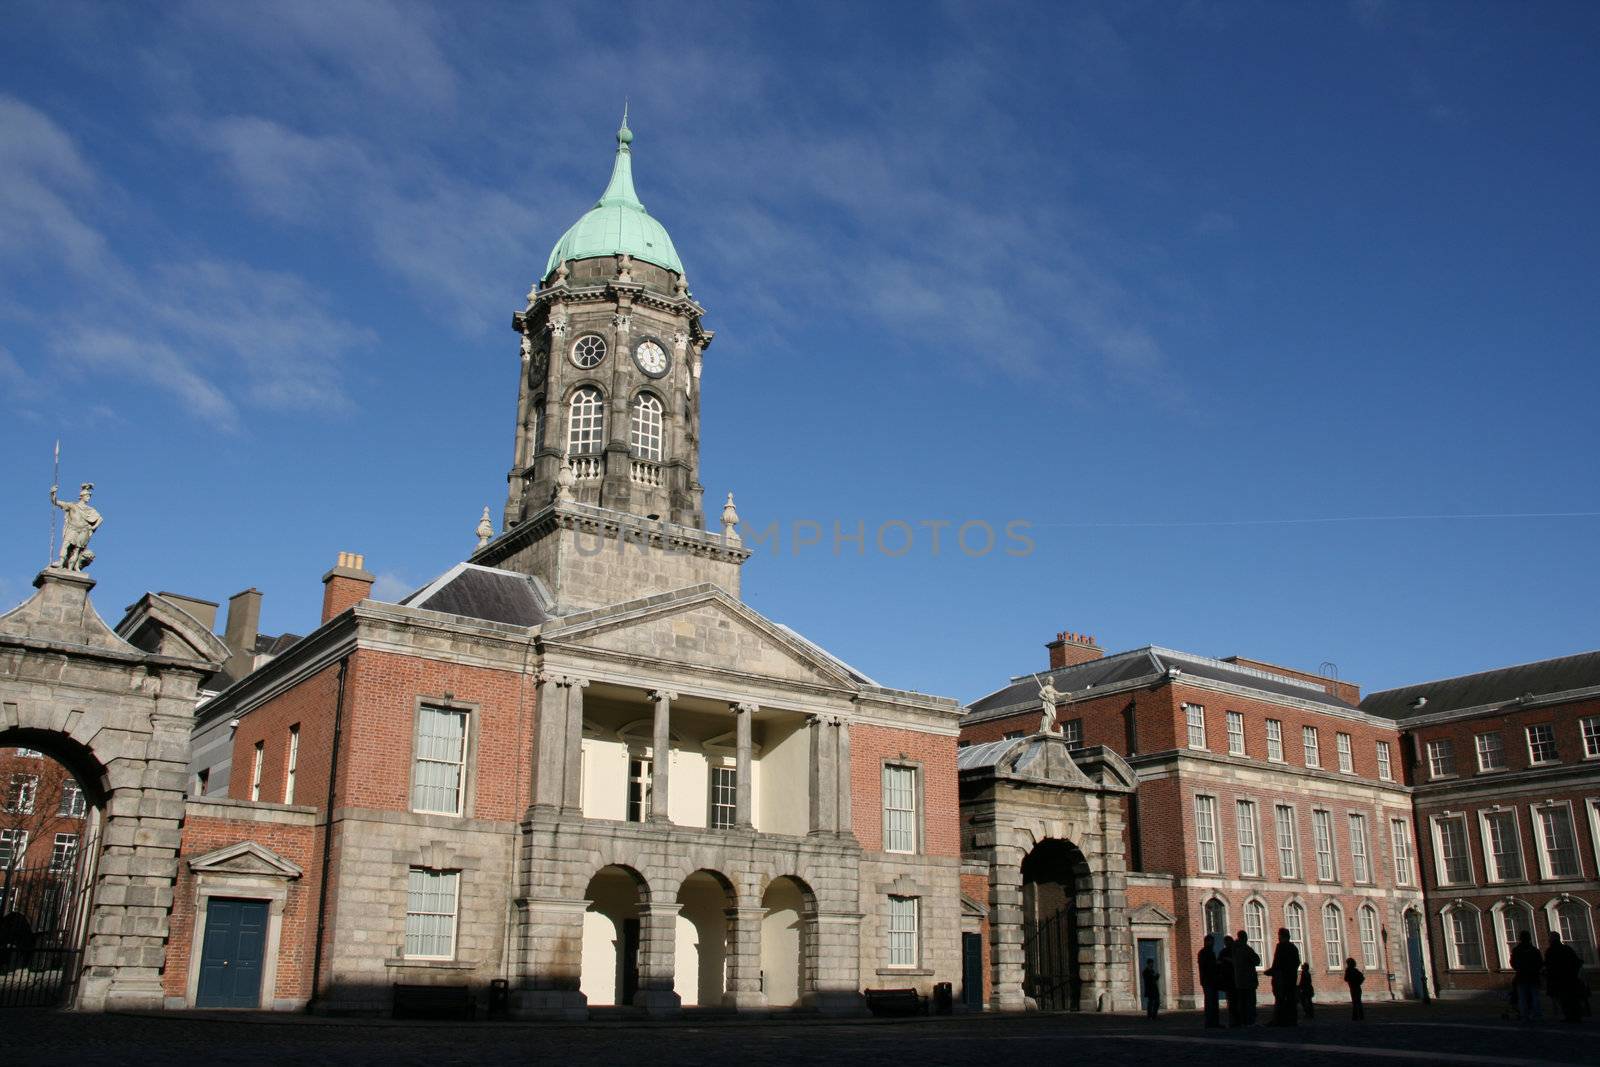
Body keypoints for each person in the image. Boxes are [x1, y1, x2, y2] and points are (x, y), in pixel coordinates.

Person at [51, 482, 102, 571]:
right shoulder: (72, 505)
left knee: (77, 550)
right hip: (72, 529)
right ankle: (61, 562)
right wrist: (53, 493)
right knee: (65, 545)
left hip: (83, 530)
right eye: (87, 496)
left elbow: (100, 519)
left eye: (89, 496)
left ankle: (72, 567)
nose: (88, 498)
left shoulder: (90, 510)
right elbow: (56, 502)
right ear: (82, 496)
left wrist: (93, 527)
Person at [1545, 931, 1584, 1022]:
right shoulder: (1567, 948)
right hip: (1570, 978)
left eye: (1549, 938)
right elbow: (1576, 962)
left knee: (1563, 999)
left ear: (1552, 939)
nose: (1548, 940)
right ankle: (1576, 1016)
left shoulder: (1550, 951)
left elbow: (1549, 966)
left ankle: (1569, 1016)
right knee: (1571, 998)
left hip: (1558, 979)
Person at [1265, 928, 1300, 1026]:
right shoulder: (1293, 948)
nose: (1278, 937)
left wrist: (1271, 971)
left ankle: (1279, 1020)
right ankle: (1291, 1020)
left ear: (1282, 936)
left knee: (1280, 999)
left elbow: (1277, 963)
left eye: (1279, 935)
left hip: (1282, 978)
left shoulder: (1280, 947)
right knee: (1290, 999)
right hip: (1291, 978)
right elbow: (1297, 962)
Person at [1509, 929, 1543, 1022]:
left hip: (1521, 976)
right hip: (1533, 976)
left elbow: (1512, 962)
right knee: (1535, 996)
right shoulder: (1534, 950)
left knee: (1522, 997)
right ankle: (1537, 1015)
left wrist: (1519, 969)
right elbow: (1540, 963)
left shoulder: (1517, 950)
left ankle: (1524, 1015)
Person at [1233, 929, 1261, 1026]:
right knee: (1250, 1003)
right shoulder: (1246, 949)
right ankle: (1249, 1021)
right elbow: (1257, 960)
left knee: (1242, 1003)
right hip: (1248, 981)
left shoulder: (1234, 950)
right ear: (1245, 938)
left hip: (1239, 981)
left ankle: (1243, 1021)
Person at [1198, 934, 1221, 1028]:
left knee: (1213, 1002)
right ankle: (1210, 1022)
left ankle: (1213, 1022)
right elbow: (1208, 966)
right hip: (1208, 980)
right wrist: (1217, 964)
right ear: (1207, 942)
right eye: (1211, 942)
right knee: (1210, 1002)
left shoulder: (1207, 952)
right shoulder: (1205, 952)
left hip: (1210, 980)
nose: (1213, 943)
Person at [1218, 935, 1238, 1027]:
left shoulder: (1232, 951)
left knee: (1233, 1001)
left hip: (1233, 979)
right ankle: (1233, 1021)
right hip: (1230, 979)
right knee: (1232, 1001)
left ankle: (1234, 1021)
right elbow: (1218, 963)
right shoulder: (1225, 951)